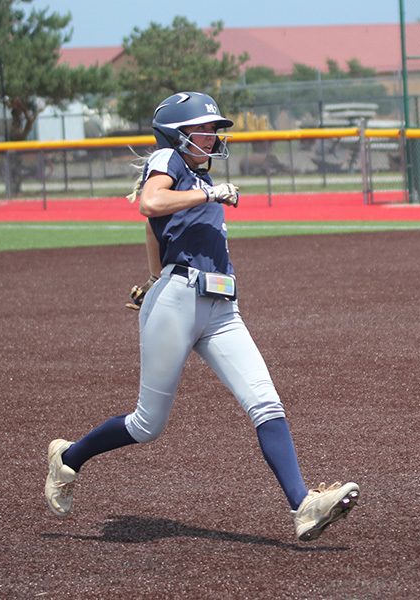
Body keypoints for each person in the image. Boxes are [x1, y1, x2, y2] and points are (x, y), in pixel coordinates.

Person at [44, 91, 360, 542]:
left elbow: (152, 229)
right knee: (146, 424)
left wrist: (151, 274)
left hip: (221, 305)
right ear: (178, 133)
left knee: (266, 403)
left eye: (214, 129)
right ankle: (69, 459)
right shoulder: (169, 159)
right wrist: (203, 198)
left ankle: (303, 505)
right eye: (204, 128)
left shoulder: (192, 178)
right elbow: (149, 204)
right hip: (178, 300)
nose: (213, 136)